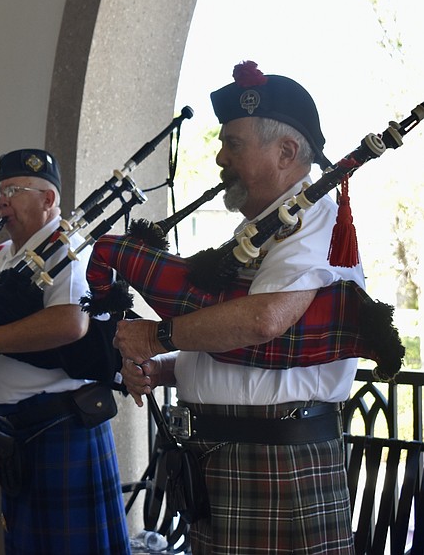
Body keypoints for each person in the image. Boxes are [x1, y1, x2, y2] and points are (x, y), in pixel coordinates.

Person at [115, 61, 362, 553]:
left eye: (234, 144)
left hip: (276, 463)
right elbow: (243, 349)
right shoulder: (259, 230)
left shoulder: (315, 217)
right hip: (228, 458)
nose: (220, 159)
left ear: (287, 152)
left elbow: (262, 321)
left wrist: (155, 336)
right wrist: (166, 368)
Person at [0, 149, 130, 554]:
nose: (3, 200)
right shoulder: (4, 257)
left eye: (16, 189)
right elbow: (4, 331)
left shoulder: (68, 250)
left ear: (49, 200)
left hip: (62, 425)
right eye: (0, 191)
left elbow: (69, 324)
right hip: (19, 432)